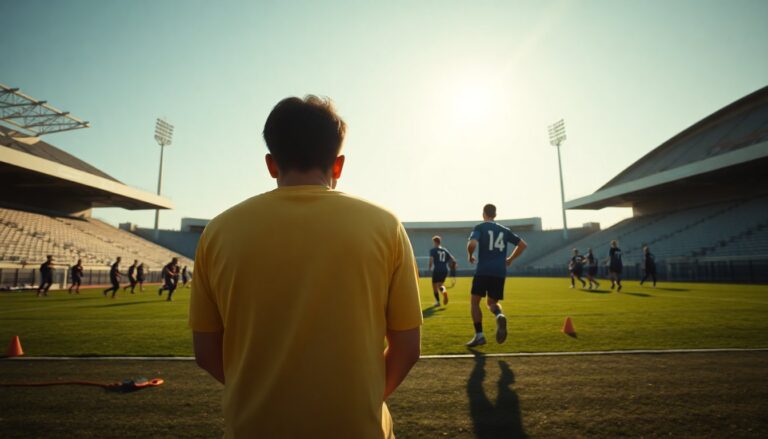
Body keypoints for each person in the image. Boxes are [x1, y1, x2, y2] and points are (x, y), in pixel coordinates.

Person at [189, 95, 422, 438]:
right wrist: (361, 399)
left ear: (271, 164)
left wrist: (264, 396)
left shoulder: (219, 231)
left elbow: (206, 351)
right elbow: (407, 347)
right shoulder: (385, 225)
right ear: (338, 165)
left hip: (253, 427)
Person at [466, 204, 528, 347]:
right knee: (492, 303)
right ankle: (499, 315)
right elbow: (523, 245)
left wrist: (470, 255)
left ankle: (479, 336)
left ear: (483, 214)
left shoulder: (480, 227)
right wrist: (510, 259)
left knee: (475, 302)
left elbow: (472, 244)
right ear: (495, 214)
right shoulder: (504, 230)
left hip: (483, 271)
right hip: (499, 272)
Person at [428, 235, 456, 307]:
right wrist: (452, 266)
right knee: (440, 285)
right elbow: (453, 260)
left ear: (435, 242)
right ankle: (444, 292)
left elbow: (431, 260)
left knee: (434, 286)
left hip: (437, 269)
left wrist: (430, 268)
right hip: (444, 270)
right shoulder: (445, 250)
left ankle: (438, 302)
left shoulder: (433, 250)